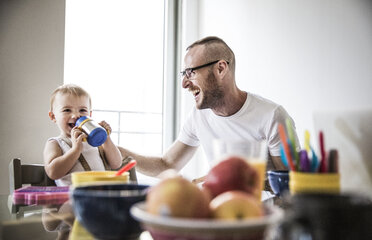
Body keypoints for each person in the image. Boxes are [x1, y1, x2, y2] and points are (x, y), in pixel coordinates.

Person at [119, 36, 298, 179]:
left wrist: (238, 180)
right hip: (219, 216)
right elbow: (167, 165)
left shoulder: (273, 117)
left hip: (260, 220)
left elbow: (290, 187)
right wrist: (116, 151)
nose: (184, 83)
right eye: (184, 74)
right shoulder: (198, 117)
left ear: (221, 69)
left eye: (191, 72)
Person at [43, 84, 122, 186]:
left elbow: (116, 164)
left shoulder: (96, 142)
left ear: (90, 115)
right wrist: (75, 150)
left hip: (101, 195)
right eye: (67, 110)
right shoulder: (56, 143)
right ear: (53, 116)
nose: (76, 115)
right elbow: (53, 173)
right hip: (73, 197)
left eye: (82, 110)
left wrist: (106, 138)